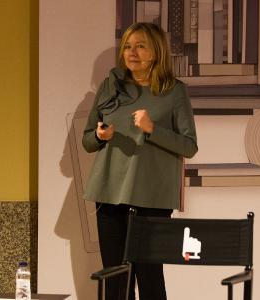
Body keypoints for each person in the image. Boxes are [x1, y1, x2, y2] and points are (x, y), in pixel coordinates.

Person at [82, 22, 198, 300]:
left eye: (140, 45)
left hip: (152, 197)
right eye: (127, 47)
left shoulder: (174, 91)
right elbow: (87, 141)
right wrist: (100, 135)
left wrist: (152, 129)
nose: (131, 52)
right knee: (116, 279)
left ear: (156, 52)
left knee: (149, 278)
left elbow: (189, 146)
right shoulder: (111, 87)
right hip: (109, 193)